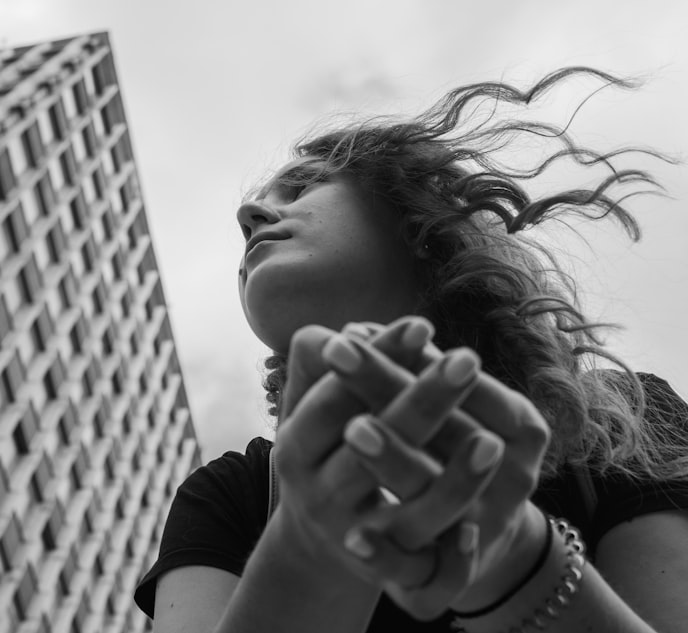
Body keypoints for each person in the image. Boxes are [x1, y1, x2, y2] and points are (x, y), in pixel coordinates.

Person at [133, 67, 688, 632]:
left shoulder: (624, 418)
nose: (248, 216)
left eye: (302, 187)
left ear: (418, 221)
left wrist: (516, 559)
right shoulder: (228, 493)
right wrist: (309, 547)